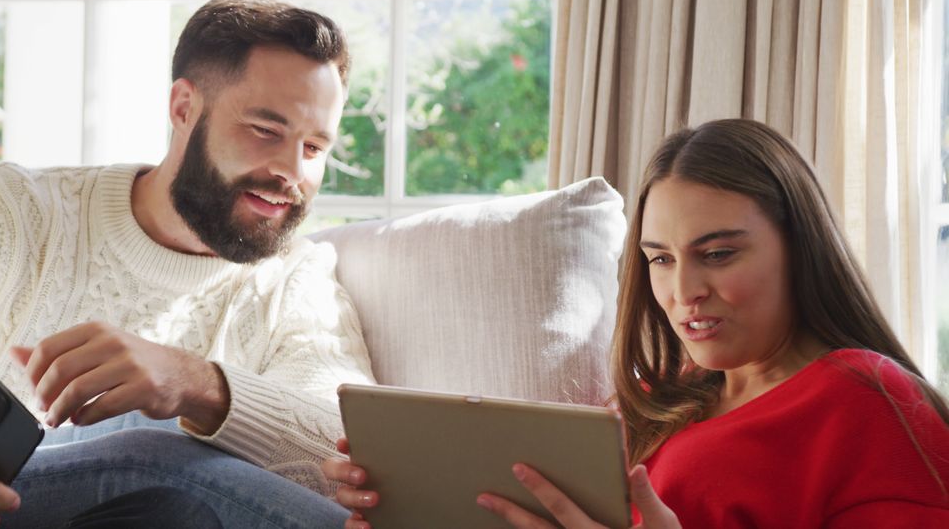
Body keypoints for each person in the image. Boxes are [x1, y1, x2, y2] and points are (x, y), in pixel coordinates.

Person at [0, 0, 373, 528]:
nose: (292, 171)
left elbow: (351, 469)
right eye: (266, 131)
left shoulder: (298, 285)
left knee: (173, 505)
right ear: (184, 108)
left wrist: (198, 386)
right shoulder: (9, 214)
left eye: (315, 148)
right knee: (158, 455)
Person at [323, 118, 949, 527]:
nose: (683, 292)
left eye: (719, 254)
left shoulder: (872, 402)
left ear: (799, 247)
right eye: (660, 259)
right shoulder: (660, 398)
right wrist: (408, 502)